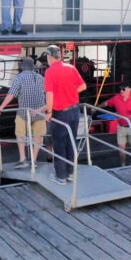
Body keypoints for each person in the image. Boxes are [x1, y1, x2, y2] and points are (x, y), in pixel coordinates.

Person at [44, 45, 87, 185]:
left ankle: (61, 177)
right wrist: (70, 93)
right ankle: (70, 174)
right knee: (71, 142)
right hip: (75, 111)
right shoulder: (71, 67)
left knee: (60, 144)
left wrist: (49, 112)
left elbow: (49, 95)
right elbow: (83, 86)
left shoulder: (50, 72)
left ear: (50, 57)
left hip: (60, 114)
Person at [0, 57, 46, 168]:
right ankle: (34, 160)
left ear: (22, 67)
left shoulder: (19, 78)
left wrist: (1, 107)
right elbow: (47, 92)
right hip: (40, 112)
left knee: (20, 134)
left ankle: (23, 159)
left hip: (24, 112)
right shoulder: (41, 77)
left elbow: (11, 94)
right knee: (38, 136)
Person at [100, 81, 131, 167]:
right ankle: (123, 165)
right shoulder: (116, 98)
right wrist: (96, 107)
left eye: (123, 89)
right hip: (121, 127)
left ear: (129, 89)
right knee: (121, 148)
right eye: (120, 89)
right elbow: (106, 103)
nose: (121, 91)